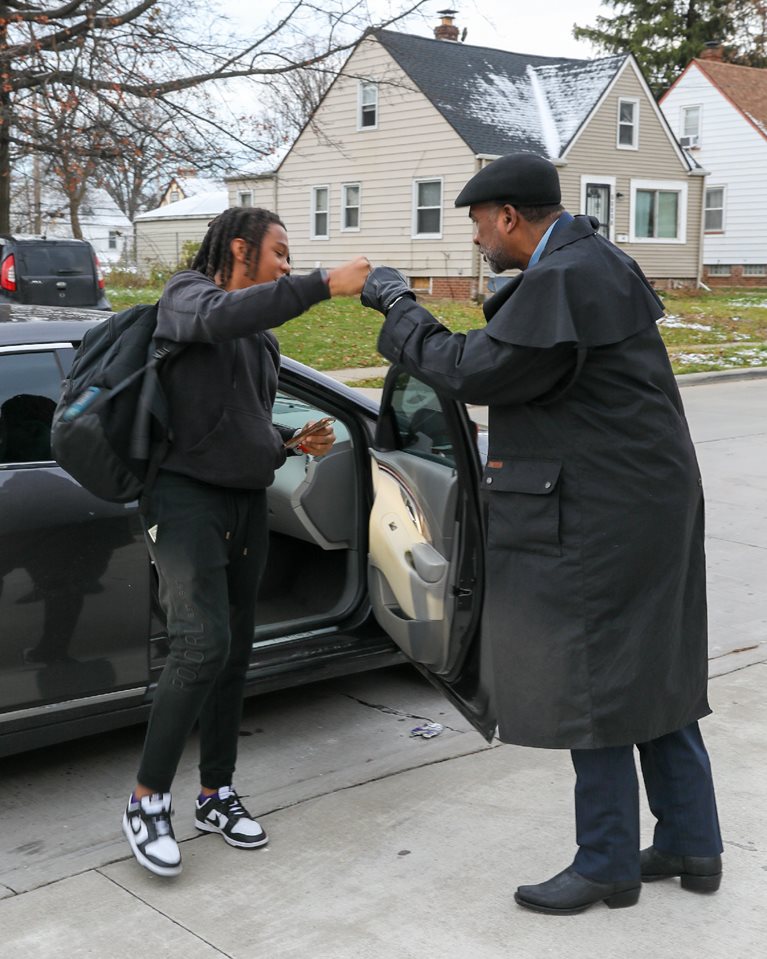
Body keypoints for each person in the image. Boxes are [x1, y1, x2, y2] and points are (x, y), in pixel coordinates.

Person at [360, 154, 722, 915]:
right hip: (643, 501)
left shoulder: (562, 279)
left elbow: (469, 368)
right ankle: (690, 838)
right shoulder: (591, 258)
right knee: (650, 667)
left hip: (604, 511)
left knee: (591, 676)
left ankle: (605, 863)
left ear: (508, 218)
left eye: (478, 224)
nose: (476, 239)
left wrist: (397, 305)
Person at [122, 206, 370, 877]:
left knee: (233, 652)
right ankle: (146, 799)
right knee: (199, 644)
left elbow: (241, 419)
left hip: (243, 504)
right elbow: (215, 319)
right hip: (184, 502)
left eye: (292, 257)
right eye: (280, 252)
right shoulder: (187, 297)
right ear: (239, 249)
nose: (286, 263)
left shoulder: (256, 339)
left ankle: (216, 792)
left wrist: (286, 441)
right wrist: (320, 283)